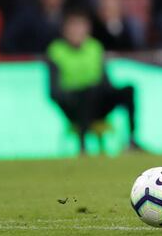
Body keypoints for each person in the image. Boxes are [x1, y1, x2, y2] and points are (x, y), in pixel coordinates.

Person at [47, 8, 139, 153]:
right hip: (73, 107)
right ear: (65, 30)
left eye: (80, 26)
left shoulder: (95, 47)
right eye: (73, 26)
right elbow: (53, 91)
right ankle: (82, 147)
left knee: (128, 90)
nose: (77, 31)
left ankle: (132, 141)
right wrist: (73, 96)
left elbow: (106, 82)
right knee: (86, 92)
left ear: (87, 29)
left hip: (97, 102)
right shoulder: (56, 51)